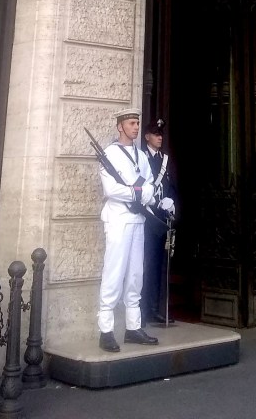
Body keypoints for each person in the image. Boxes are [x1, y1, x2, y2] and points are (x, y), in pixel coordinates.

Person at [96, 109, 160, 353]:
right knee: (114, 273)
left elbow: (151, 185)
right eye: (131, 123)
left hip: (137, 220)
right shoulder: (110, 155)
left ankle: (133, 327)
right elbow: (111, 190)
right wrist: (137, 193)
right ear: (120, 126)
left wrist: (140, 193)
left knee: (135, 275)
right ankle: (106, 331)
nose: (136, 127)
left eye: (137, 123)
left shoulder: (141, 155)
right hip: (118, 219)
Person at [141, 118, 177, 325]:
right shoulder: (141, 156)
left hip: (161, 217)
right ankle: (142, 308)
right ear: (147, 137)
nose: (159, 137)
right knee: (146, 263)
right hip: (147, 217)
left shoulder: (165, 159)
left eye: (161, 134)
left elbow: (170, 185)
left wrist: (171, 201)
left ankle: (155, 307)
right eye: (156, 134)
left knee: (158, 264)